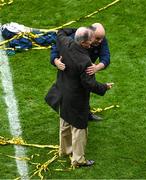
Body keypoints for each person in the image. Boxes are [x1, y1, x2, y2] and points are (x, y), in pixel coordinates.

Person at [47, 27, 113, 167]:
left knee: (65, 121)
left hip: (62, 91)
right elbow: (90, 84)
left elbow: (60, 31)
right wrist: (105, 87)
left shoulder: (65, 43)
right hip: (76, 98)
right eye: (89, 41)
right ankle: (78, 160)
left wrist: (79, 29)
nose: (91, 44)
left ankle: (64, 151)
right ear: (83, 43)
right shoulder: (84, 60)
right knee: (79, 128)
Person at [50, 23, 110, 121]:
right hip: (70, 70)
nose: (100, 41)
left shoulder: (100, 40)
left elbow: (106, 56)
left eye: (102, 38)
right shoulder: (74, 38)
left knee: (84, 91)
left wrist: (97, 67)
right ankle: (70, 116)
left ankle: (85, 114)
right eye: (97, 38)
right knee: (72, 91)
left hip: (85, 70)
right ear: (87, 37)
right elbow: (56, 47)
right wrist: (55, 61)